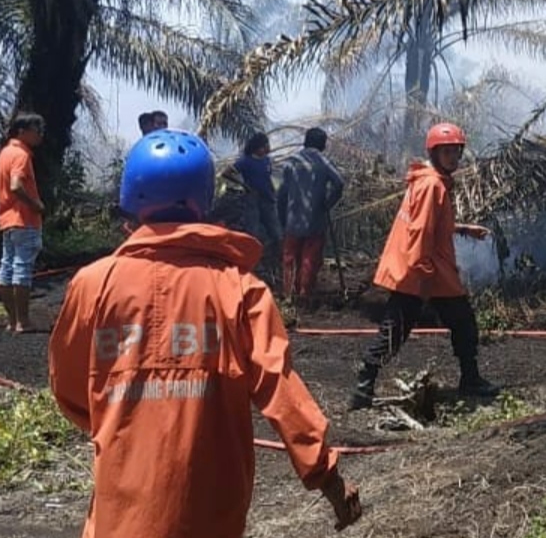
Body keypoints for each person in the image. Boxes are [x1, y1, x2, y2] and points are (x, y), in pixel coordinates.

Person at [47, 130, 362, 538]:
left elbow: (70, 389)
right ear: (203, 200)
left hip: (117, 517)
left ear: (131, 196)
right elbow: (283, 395)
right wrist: (330, 481)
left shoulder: (92, 285)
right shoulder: (240, 290)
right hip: (211, 515)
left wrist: (125, 414)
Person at [349, 122, 500, 410]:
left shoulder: (425, 180)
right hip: (426, 270)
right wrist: (425, 274)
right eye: (447, 152)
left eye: (456, 151)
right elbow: (420, 231)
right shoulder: (433, 185)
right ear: (434, 152)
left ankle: (364, 385)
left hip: (417, 267)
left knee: (403, 327)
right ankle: (469, 379)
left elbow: (432, 224)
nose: (453, 158)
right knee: (455, 323)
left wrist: (463, 228)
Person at [277, 127, 344, 302]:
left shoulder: (291, 161)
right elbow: (339, 183)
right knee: (309, 259)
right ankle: (304, 296)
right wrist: (327, 204)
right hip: (315, 219)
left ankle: (288, 296)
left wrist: (281, 216)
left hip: (292, 219)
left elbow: (282, 193)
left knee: (289, 258)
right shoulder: (323, 162)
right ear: (323, 144)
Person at [0, 112, 46, 334]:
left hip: (7, 220)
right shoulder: (21, 155)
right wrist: (35, 204)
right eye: (37, 130)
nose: (40, 135)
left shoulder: (5, 153)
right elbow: (16, 185)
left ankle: (12, 320)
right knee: (22, 268)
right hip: (24, 219)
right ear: (22, 131)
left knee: (7, 268)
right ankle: (23, 321)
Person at [221, 133, 281, 249]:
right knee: (252, 231)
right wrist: (243, 185)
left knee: (275, 230)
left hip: (268, 199)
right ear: (258, 147)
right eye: (266, 145)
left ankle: (274, 257)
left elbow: (267, 178)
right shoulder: (245, 161)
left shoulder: (267, 160)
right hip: (252, 199)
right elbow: (226, 173)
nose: (268, 148)